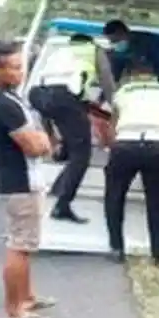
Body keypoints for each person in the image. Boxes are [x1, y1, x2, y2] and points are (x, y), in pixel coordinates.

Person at [0, 40, 55, 318]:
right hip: (18, 183)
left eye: (21, 66)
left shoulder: (10, 98)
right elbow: (34, 145)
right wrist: (44, 140)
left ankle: (26, 298)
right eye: (12, 68)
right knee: (19, 246)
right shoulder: (0, 104)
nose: (19, 73)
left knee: (25, 244)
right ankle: (14, 310)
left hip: (23, 181)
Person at [103, 57, 159, 266]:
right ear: (155, 75)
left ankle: (117, 248)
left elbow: (112, 125)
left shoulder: (122, 93)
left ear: (131, 75)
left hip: (125, 145)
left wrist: (113, 147)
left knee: (114, 196)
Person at [36, 33, 117, 224]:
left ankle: (58, 188)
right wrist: (116, 108)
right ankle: (62, 205)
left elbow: (47, 93)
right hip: (65, 99)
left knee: (72, 143)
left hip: (43, 96)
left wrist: (50, 135)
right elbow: (107, 83)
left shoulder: (58, 54)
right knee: (82, 153)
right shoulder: (95, 51)